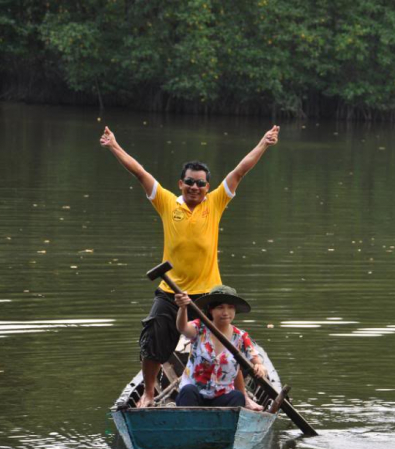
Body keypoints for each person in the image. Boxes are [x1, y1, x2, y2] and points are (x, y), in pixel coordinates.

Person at [100, 124, 279, 407]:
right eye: (190, 182)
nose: (195, 187)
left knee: (227, 344)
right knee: (154, 336)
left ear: (207, 187)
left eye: (200, 183)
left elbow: (241, 170)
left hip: (208, 295)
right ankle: (148, 393)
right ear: (180, 183)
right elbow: (139, 172)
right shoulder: (167, 203)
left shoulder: (216, 202)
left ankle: (242, 396)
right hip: (171, 291)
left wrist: (264, 143)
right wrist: (113, 146)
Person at [174, 285, 268, 410]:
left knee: (237, 397)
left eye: (230, 308)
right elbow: (183, 328)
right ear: (211, 310)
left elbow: (256, 360)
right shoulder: (199, 327)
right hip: (194, 396)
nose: (225, 313)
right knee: (188, 390)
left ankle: (225, 425)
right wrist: (182, 308)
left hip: (221, 398)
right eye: (220, 307)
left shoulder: (240, 336)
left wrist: (259, 366)